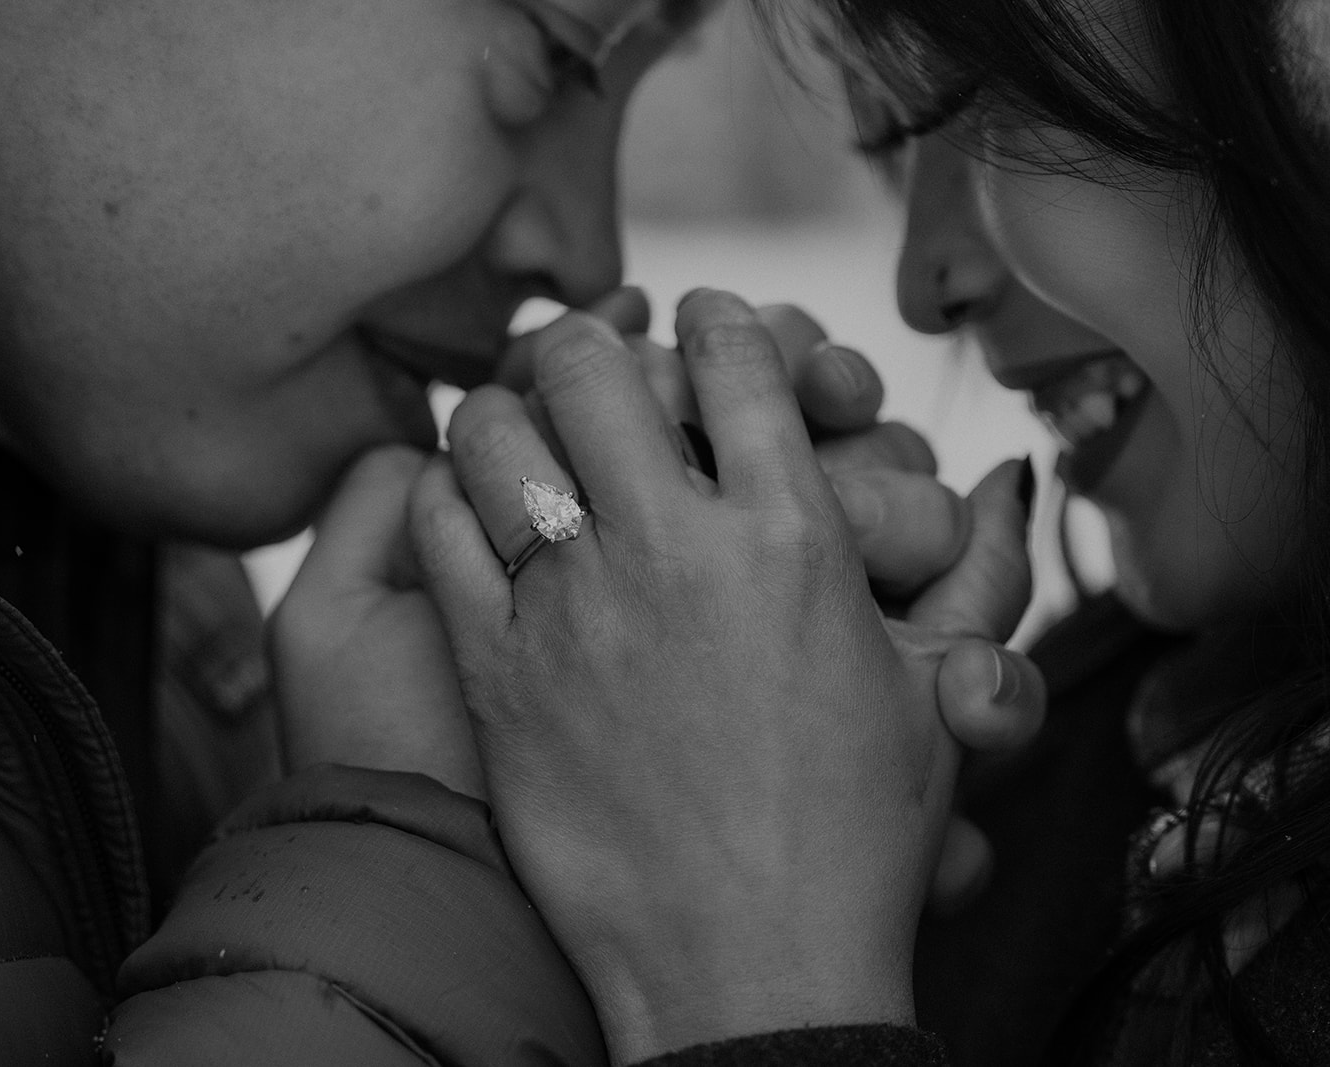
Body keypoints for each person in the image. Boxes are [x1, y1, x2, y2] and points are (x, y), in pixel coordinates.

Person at [0, 0, 1039, 1063]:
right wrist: (434, 841)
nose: (587, 251)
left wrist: (654, 774)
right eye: (555, 57)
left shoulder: (177, 622)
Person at [398, 0, 1330, 1062]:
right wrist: (732, 734)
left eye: (986, 106)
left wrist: (757, 970)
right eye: (895, 139)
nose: (924, 284)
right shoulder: (1100, 760)